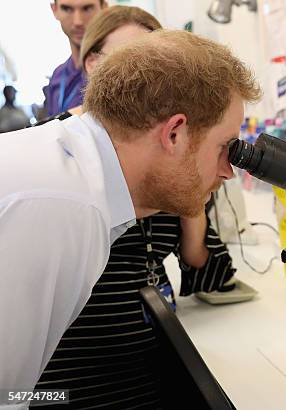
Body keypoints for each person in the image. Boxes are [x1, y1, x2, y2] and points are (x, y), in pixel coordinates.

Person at [0, 29, 261, 408]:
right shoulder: (68, 206)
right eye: (224, 147)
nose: (228, 172)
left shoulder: (78, 173)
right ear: (174, 133)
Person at [45, 0, 107, 116]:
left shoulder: (115, 71)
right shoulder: (58, 75)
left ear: (104, 7)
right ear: (54, 10)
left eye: (87, 8)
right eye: (67, 9)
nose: (78, 21)